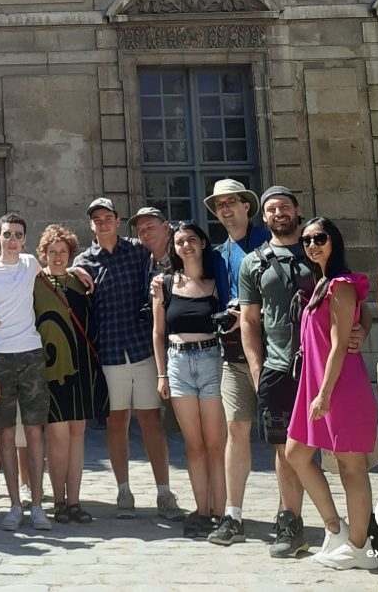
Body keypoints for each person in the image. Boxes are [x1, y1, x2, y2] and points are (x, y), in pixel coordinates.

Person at [238, 186, 370, 558]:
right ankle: (295, 522)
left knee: (347, 458)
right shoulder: (256, 262)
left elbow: (357, 311)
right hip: (281, 367)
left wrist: (362, 330)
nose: (278, 213)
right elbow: (249, 319)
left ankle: (358, 535)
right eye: (271, 209)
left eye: (285, 206)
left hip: (326, 374)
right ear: (262, 218)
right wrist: (256, 367)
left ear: (297, 210)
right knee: (288, 451)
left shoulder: (326, 270)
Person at [72, 199, 184, 521]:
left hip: (142, 349)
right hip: (108, 352)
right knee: (116, 421)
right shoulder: (84, 261)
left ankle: (164, 492)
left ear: (118, 221)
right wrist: (70, 271)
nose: (103, 222)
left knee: (151, 420)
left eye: (108, 217)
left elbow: (168, 257)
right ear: (91, 225)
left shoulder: (138, 251)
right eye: (97, 219)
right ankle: (123, 490)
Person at [284, 218, 378, 570]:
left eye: (320, 238)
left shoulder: (340, 284)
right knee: (296, 453)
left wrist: (323, 395)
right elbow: (361, 318)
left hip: (340, 385)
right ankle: (335, 528)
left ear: (333, 241)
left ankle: (360, 547)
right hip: (317, 383)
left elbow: (339, 344)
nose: (312, 245)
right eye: (307, 240)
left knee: (350, 466)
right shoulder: (322, 283)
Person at [0, 213, 52, 531]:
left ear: (24, 239)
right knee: (4, 433)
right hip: (0, 358)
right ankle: (14, 506)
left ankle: (36, 505)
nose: (12, 240)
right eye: (7, 234)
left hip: (31, 355)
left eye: (18, 235)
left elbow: (54, 272)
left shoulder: (30, 264)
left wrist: (78, 272)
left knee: (34, 432)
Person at [203, 180, 270, 546]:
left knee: (280, 434)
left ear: (247, 206)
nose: (225, 210)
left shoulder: (268, 241)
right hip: (232, 351)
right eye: (219, 205)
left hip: (272, 351)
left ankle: (286, 512)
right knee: (237, 430)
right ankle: (234, 515)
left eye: (232, 203)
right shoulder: (219, 253)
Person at [152, 222, 227, 538]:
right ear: (175, 248)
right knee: (194, 446)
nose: (186, 246)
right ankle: (201, 510)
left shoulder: (216, 284)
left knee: (215, 444)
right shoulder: (165, 284)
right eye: (180, 241)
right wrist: (161, 374)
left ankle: (222, 513)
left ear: (202, 243)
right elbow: (157, 333)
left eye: (191, 240)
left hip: (211, 360)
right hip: (178, 363)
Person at [34, 225, 108, 524]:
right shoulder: (35, 282)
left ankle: (74, 501)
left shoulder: (81, 282)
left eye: (63, 252)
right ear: (43, 254)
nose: (58, 257)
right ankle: (59, 502)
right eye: (52, 252)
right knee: (57, 438)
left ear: (71, 254)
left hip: (81, 366)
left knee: (78, 436)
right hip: (50, 368)